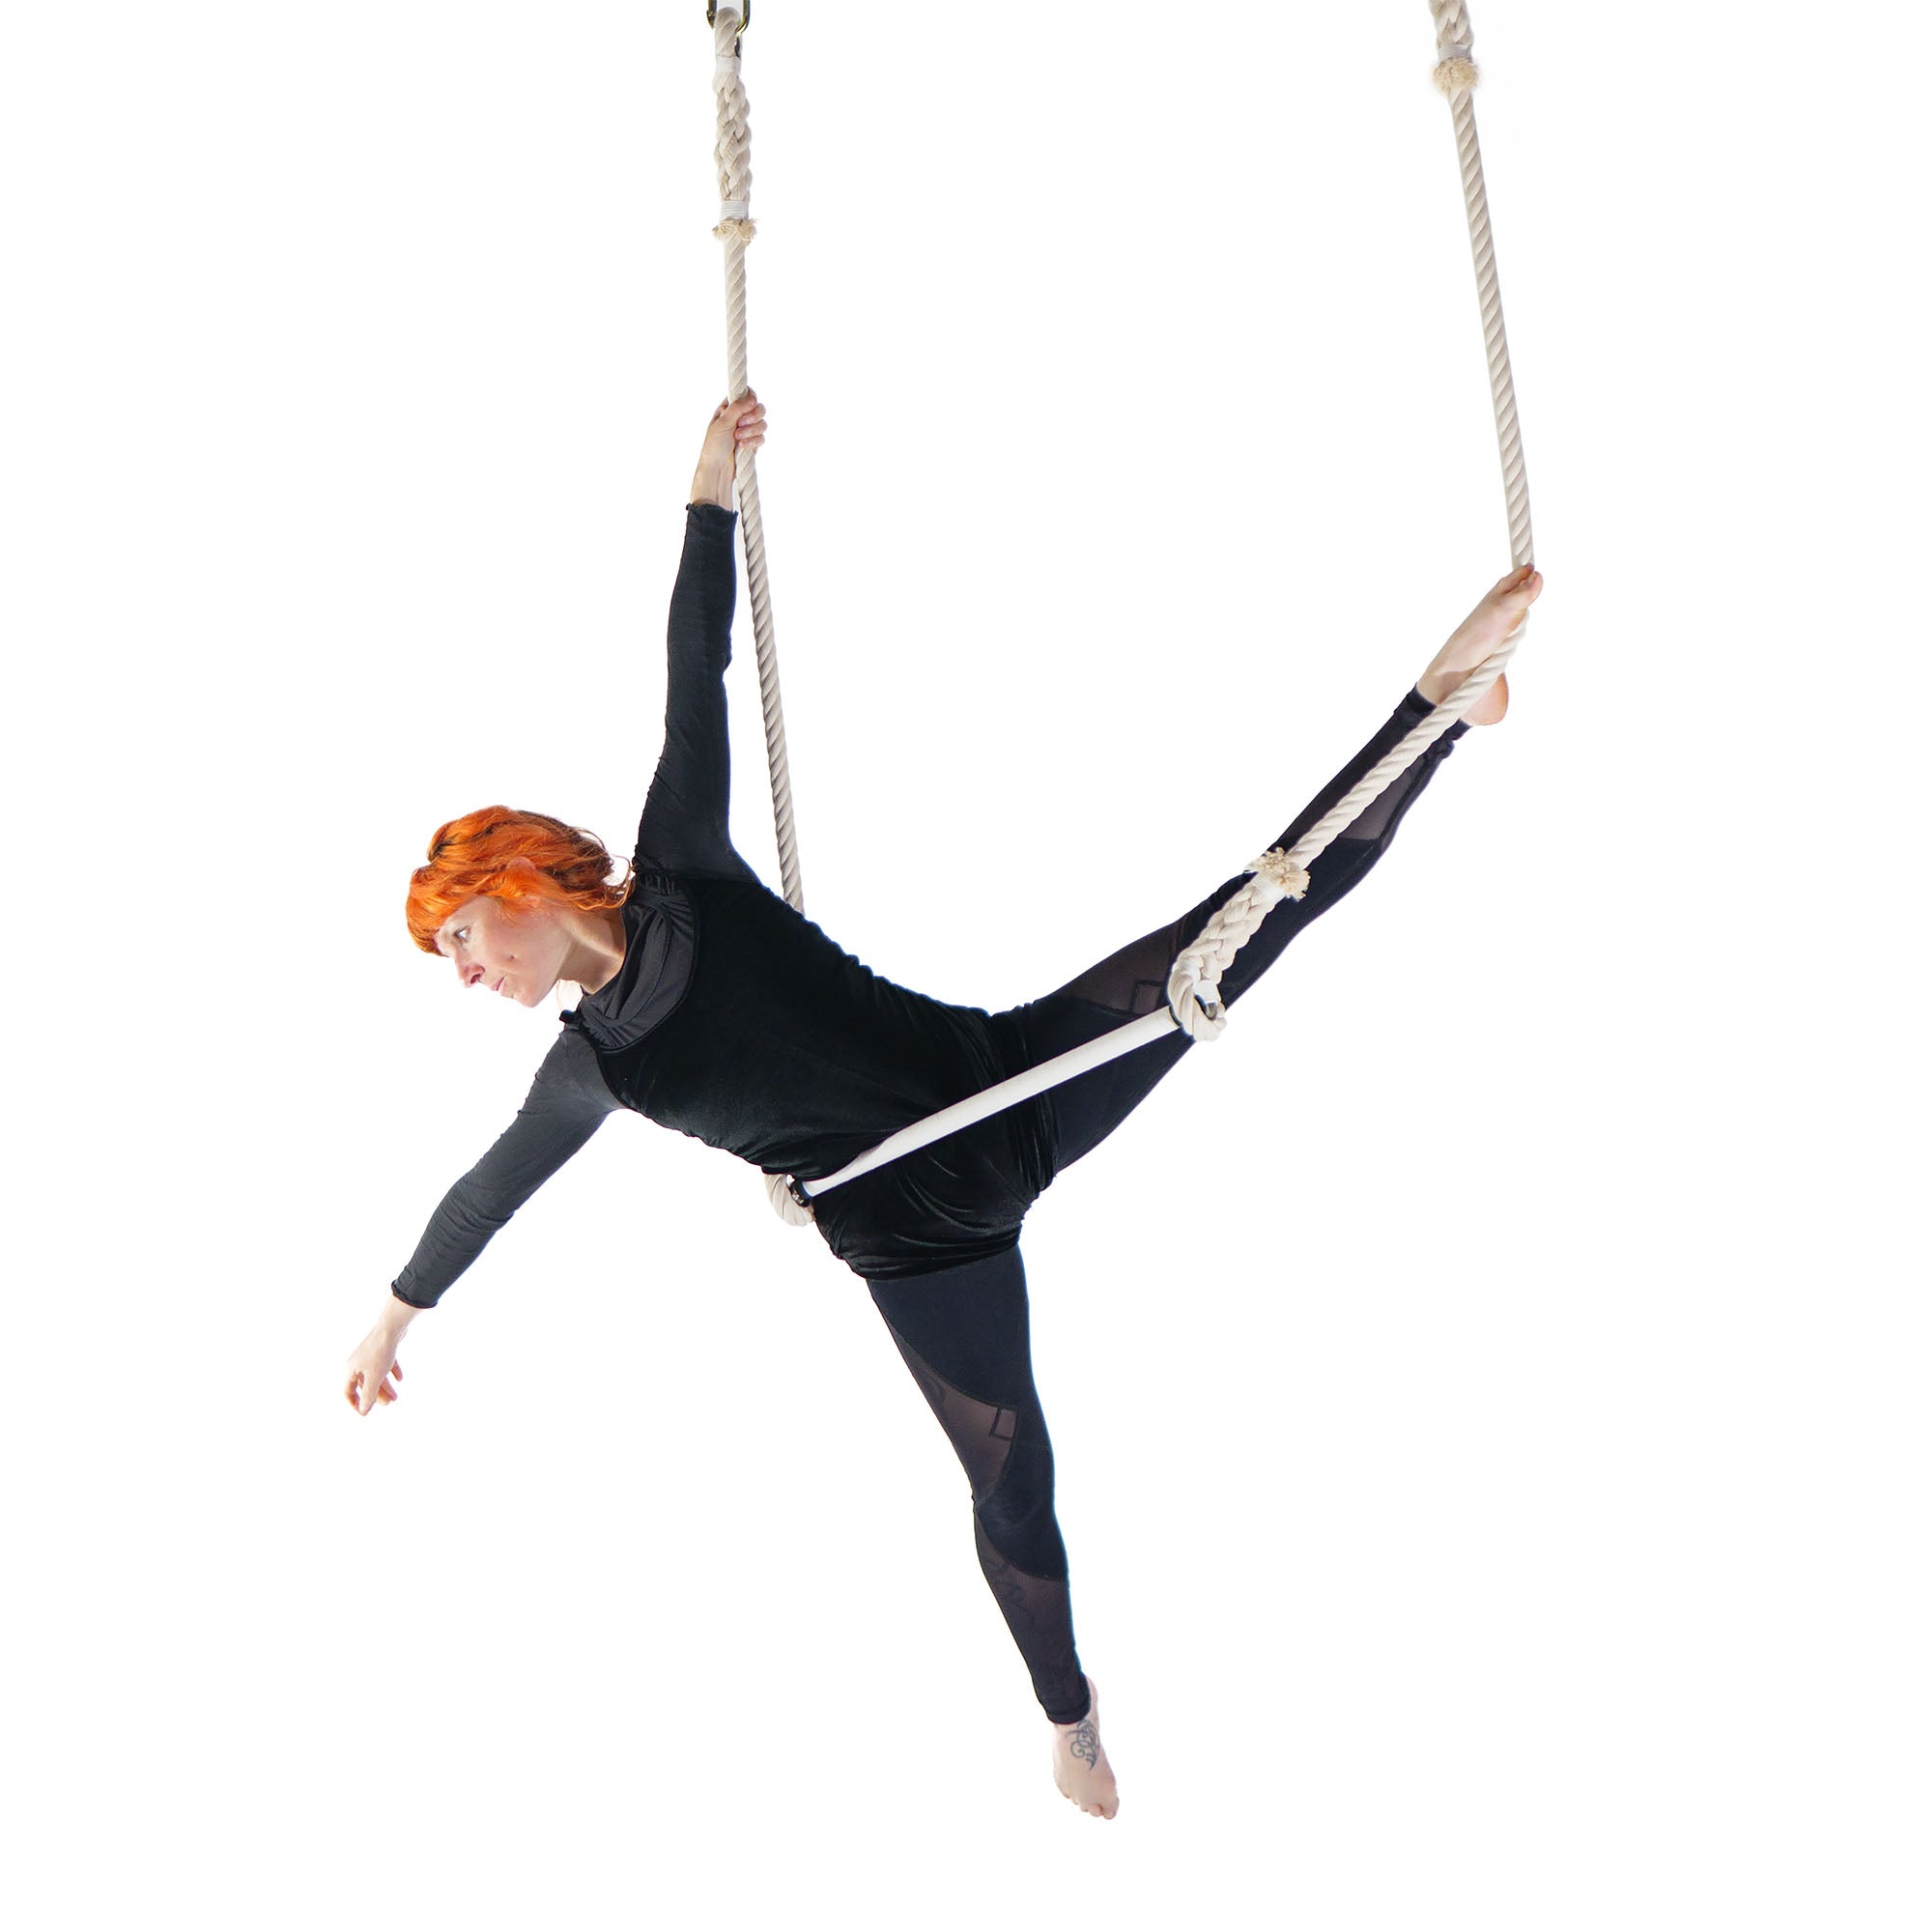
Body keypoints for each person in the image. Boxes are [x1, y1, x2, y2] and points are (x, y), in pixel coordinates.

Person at [345, 391, 1543, 1820]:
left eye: (460, 937)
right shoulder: (592, 1065)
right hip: (919, 1241)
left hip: (997, 1086)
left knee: (1240, 926)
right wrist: (394, 1318)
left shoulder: (683, 866)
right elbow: (486, 1194)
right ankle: (1070, 1713)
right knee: (1013, 1482)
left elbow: (692, 668)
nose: (465, 973)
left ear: (517, 886)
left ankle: (1439, 715)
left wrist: (709, 494)